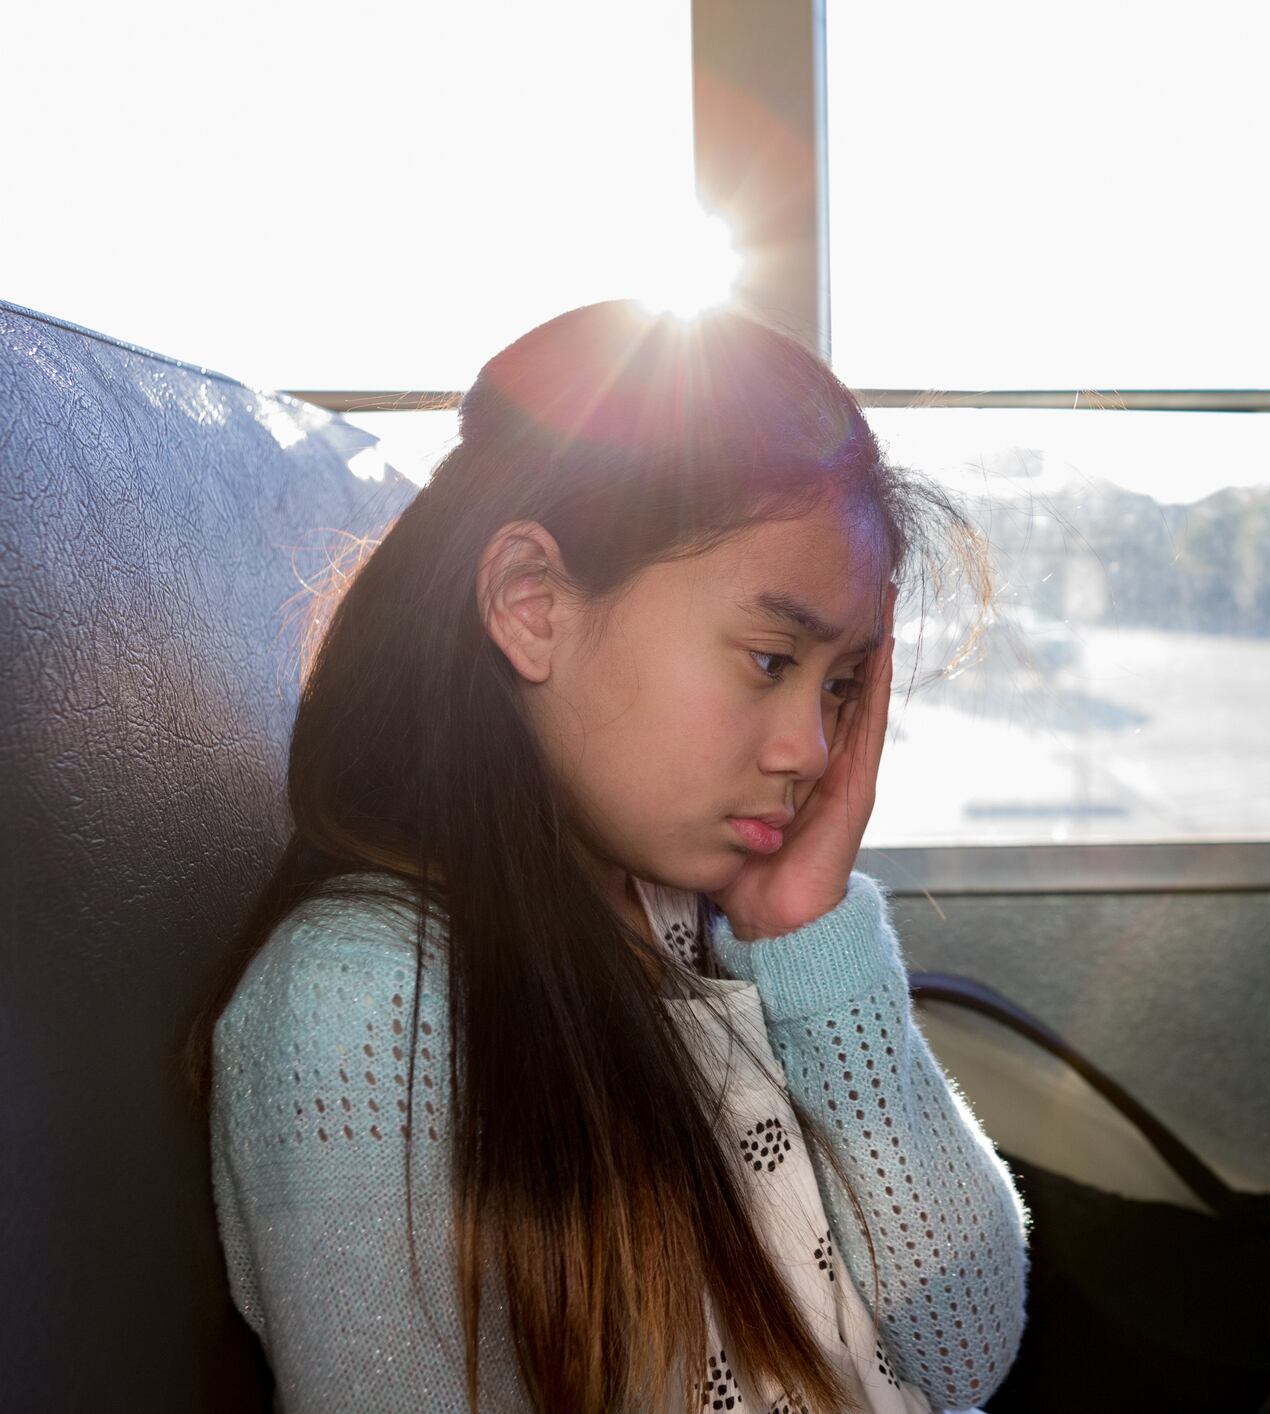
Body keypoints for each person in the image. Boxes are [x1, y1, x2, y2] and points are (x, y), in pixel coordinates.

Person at [194, 301, 1027, 1413]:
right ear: (532, 606)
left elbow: (967, 1347)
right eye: (771, 657)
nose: (810, 749)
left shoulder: (707, 917)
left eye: (838, 683)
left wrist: (805, 931)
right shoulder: (364, 1007)